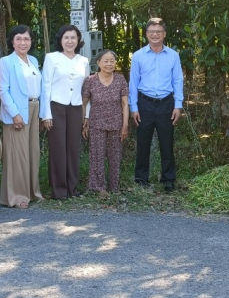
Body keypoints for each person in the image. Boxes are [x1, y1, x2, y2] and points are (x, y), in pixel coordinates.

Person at [129, 17, 185, 192]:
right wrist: (134, 107)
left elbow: (177, 81)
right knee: (143, 143)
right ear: (147, 34)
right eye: (152, 32)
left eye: (158, 32)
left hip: (166, 104)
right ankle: (141, 179)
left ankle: (168, 180)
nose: (155, 35)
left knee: (166, 143)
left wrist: (178, 105)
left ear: (164, 34)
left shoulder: (173, 55)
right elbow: (132, 83)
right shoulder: (138, 56)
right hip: (144, 103)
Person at [41, 24, 90, 199]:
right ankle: (59, 190)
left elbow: (87, 91)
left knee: (73, 148)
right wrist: (46, 114)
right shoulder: (52, 58)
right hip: (56, 106)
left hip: (76, 107)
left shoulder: (83, 61)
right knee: (58, 148)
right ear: (60, 40)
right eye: (66, 38)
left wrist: (87, 114)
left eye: (73, 38)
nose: (70, 41)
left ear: (78, 40)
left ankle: (73, 188)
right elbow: (45, 87)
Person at [0, 25, 44, 208]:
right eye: (19, 39)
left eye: (26, 39)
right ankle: (16, 196)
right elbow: (3, 90)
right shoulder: (6, 62)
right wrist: (15, 114)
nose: (23, 42)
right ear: (12, 41)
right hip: (16, 111)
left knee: (32, 152)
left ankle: (32, 192)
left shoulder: (32, 60)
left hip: (33, 107)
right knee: (17, 155)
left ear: (31, 41)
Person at [82, 49, 129, 195]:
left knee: (115, 156)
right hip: (96, 123)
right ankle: (99, 187)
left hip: (116, 124)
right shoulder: (90, 81)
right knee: (97, 156)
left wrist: (125, 125)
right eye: (105, 61)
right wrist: (84, 122)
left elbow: (125, 104)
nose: (109, 64)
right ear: (98, 63)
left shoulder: (120, 79)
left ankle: (114, 187)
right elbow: (83, 103)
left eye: (112, 61)